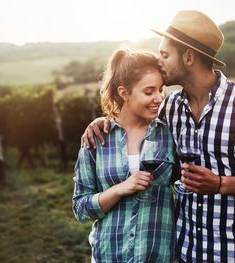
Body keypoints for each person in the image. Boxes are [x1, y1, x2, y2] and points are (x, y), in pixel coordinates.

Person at [81, 10, 235, 263]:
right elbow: (132, 119)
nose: (159, 61)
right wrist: (103, 121)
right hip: (184, 252)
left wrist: (220, 184)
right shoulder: (169, 108)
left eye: (165, 54)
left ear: (189, 56)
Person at [73, 48, 177, 262]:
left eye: (161, 90)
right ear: (124, 93)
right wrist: (120, 189)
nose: (158, 98)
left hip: (158, 256)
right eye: (149, 92)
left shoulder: (170, 134)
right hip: (109, 256)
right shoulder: (97, 139)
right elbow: (81, 209)